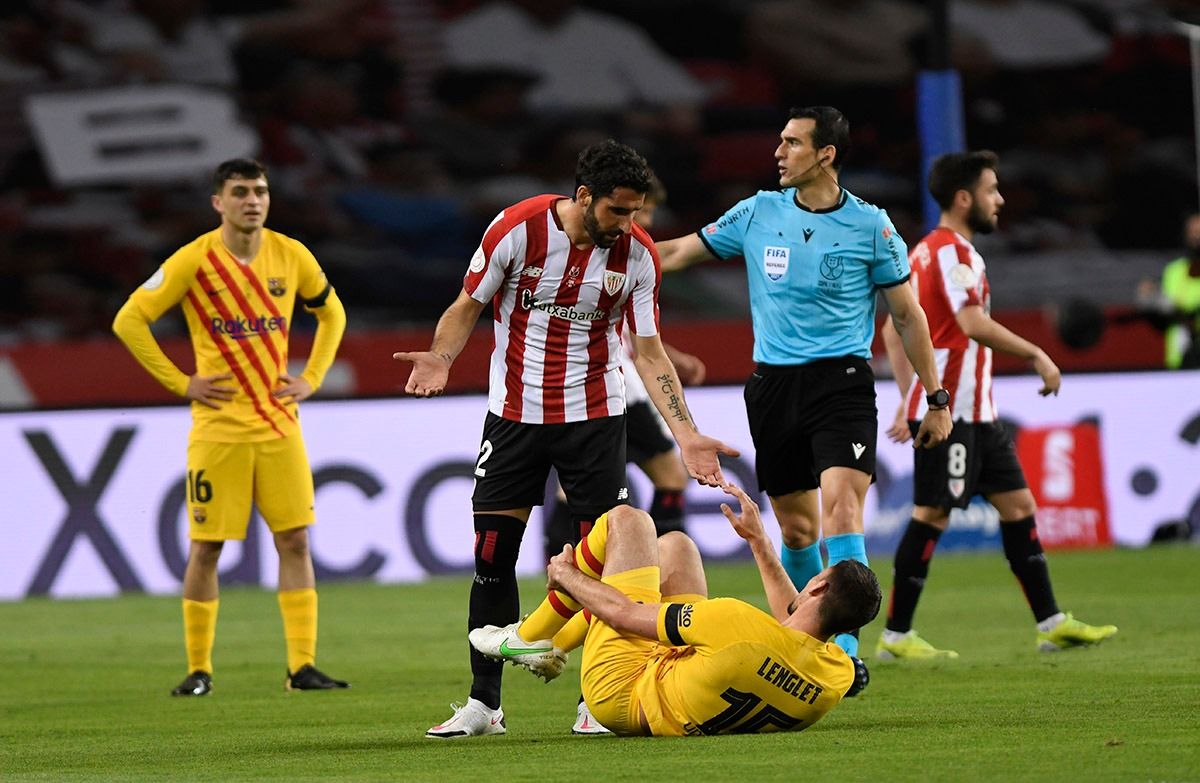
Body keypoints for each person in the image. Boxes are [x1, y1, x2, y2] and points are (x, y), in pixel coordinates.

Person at [395, 139, 737, 738]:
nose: (628, 224)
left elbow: (650, 353)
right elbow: (466, 304)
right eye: (618, 211)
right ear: (584, 197)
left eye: (635, 212)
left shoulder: (637, 256)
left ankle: (595, 701)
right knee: (492, 561)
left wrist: (686, 434)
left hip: (596, 420)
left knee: (606, 570)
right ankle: (485, 706)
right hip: (514, 418)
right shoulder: (516, 230)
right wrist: (442, 357)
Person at [654, 106, 953, 695]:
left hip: (841, 382)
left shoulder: (872, 226)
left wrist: (935, 396)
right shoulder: (757, 212)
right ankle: (803, 639)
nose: (778, 152)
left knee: (843, 509)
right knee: (795, 532)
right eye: (780, 141)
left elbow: (908, 314)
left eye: (791, 143)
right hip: (771, 387)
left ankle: (844, 655)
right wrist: (604, 250)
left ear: (826, 154)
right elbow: (673, 253)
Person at [111, 158, 350, 695]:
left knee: (294, 540)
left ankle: (302, 667)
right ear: (218, 202)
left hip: (278, 424)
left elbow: (331, 313)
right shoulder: (193, 260)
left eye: (260, 191)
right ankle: (199, 670)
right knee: (208, 548)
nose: (253, 200)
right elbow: (129, 319)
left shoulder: (291, 255)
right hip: (218, 428)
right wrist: (181, 382)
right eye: (240, 192)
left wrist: (311, 377)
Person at [877, 150, 1117, 659]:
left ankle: (1051, 622)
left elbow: (892, 333)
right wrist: (1036, 352)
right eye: (991, 189)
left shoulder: (923, 253)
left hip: (976, 413)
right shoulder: (952, 254)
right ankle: (896, 635)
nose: (1000, 199)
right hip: (954, 411)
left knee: (1020, 506)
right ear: (964, 198)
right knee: (932, 512)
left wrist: (907, 398)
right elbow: (969, 324)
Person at [470, 484, 882, 736]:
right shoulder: (836, 676)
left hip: (622, 691)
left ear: (820, 584)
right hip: (680, 679)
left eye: (816, 576)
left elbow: (624, 616)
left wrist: (566, 575)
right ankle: (552, 645)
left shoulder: (735, 622)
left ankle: (533, 636)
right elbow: (790, 627)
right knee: (678, 548)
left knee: (629, 523)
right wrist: (759, 543)